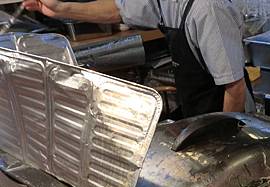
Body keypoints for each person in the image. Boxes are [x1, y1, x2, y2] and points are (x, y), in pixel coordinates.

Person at [23, 0, 253, 118]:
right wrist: (61, 9)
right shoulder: (165, 2)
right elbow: (119, 10)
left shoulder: (209, 8)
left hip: (231, 119)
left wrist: (224, 146)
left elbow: (235, 90)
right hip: (198, 113)